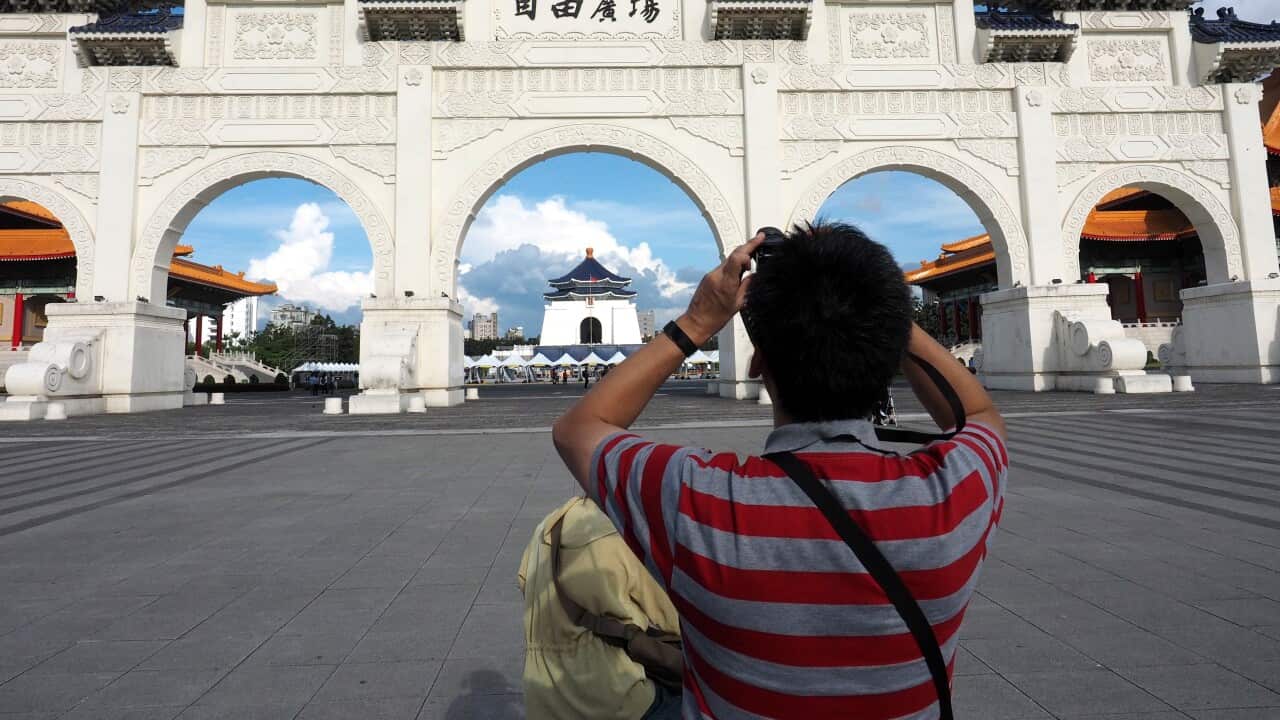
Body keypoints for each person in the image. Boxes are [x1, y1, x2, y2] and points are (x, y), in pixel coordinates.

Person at [551, 222, 1008, 719]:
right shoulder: (955, 493)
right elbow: (979, 415)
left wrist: (699, 321)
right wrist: (885, 310)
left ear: (758, 364)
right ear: (890, 348)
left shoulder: (698, 501)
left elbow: (579, 428)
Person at [518, 497, 682, 720]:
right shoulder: (618, 531)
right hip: (610, 699)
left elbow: (524, 581)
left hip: (543, 698)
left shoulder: (546, 527)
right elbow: (671, 616)